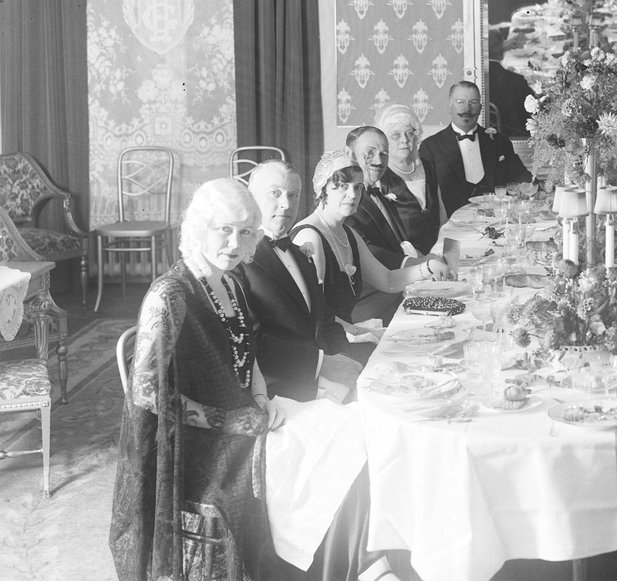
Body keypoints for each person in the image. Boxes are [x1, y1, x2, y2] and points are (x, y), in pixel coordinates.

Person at [111, 178, 283, 579]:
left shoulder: (232, 282)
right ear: (200, 228)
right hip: (188, 444)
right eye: (224, 229)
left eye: (245, 232)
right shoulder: (169, 294)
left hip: (241, 420)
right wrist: (231, 420)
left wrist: (259, 397)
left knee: (321, 444)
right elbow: (147, 391)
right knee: (291, 469)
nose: (235, 243)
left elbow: (247, 352)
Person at [238, 161, 368, 404]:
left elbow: (327, 321)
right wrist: (323, 365)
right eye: (275, 193)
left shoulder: (300, 254)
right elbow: (251, 342)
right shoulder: (241, 260)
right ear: (251, 198)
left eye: (293, 194)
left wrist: (343, 361)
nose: (286, 204)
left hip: (324, 381)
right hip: (281, 391)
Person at [292, 150, 451, 333]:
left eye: (358, 187)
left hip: (344, 333)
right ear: (323, 190)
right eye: (342, 186)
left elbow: (387, 280)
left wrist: (428, 267)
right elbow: (313, 312)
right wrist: (363, 333)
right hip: (327, 339)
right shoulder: (309, 236)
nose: (353, 195)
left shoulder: (348, 234)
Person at [346, 125, 451, 324]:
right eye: (370, 152)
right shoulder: (347, 202)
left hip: (394, 289)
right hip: (373, 305)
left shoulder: (376, 193)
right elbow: (367, 251)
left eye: (384, 154)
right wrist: (420, 265)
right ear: (349, 154)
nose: (379, 161)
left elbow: (399, 242)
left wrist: (423, 258)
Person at [419, 81, 533, 215]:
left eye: (473, 102)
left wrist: (524, 187)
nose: (467, 109)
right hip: (453, 221)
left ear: (480, 108)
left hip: (497, 218)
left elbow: (521, 175)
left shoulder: (500, 141)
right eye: (460, 102)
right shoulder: (431, 146)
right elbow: (426, 194)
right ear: (449, 107)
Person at [374, 104, 446, 255]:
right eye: (396, 135)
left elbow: (442, 213)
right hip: (403, 256)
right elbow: (381, 230)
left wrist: (440, 249)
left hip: (436, 250)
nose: (404, 140)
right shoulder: (380, 175)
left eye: (409, 133)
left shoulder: (427, 166)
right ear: (384, 141)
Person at [487, 28, 535, 139]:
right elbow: (535, 106)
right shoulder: (517, 81)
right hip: (515, 139)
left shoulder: (475, 82)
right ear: (502, 52)